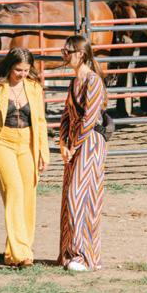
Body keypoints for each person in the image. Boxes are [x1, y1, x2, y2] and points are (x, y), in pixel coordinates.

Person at [0, 47, 49, 267]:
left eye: (26, 70)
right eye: (18, 70)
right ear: (9, 67)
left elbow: (40, 121)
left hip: (28, 142)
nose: (22, 74)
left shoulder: (34, 87)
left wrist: (43, 152)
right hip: (3, 141)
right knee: (14, 190)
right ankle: (21, 252)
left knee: (28, 195)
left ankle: (16, 251)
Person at [58, 35, 107, 273]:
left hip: (90, 144)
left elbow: (89, 118)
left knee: (80, 197)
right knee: (71, 195)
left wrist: (74, 144)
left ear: (81, 54)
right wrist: (62, 142)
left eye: (68, 51)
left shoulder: (93, 81)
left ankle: (83, 254)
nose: (64, 55)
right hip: (75, 144)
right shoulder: (74, 82)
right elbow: (67, 115)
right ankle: (70, 251)